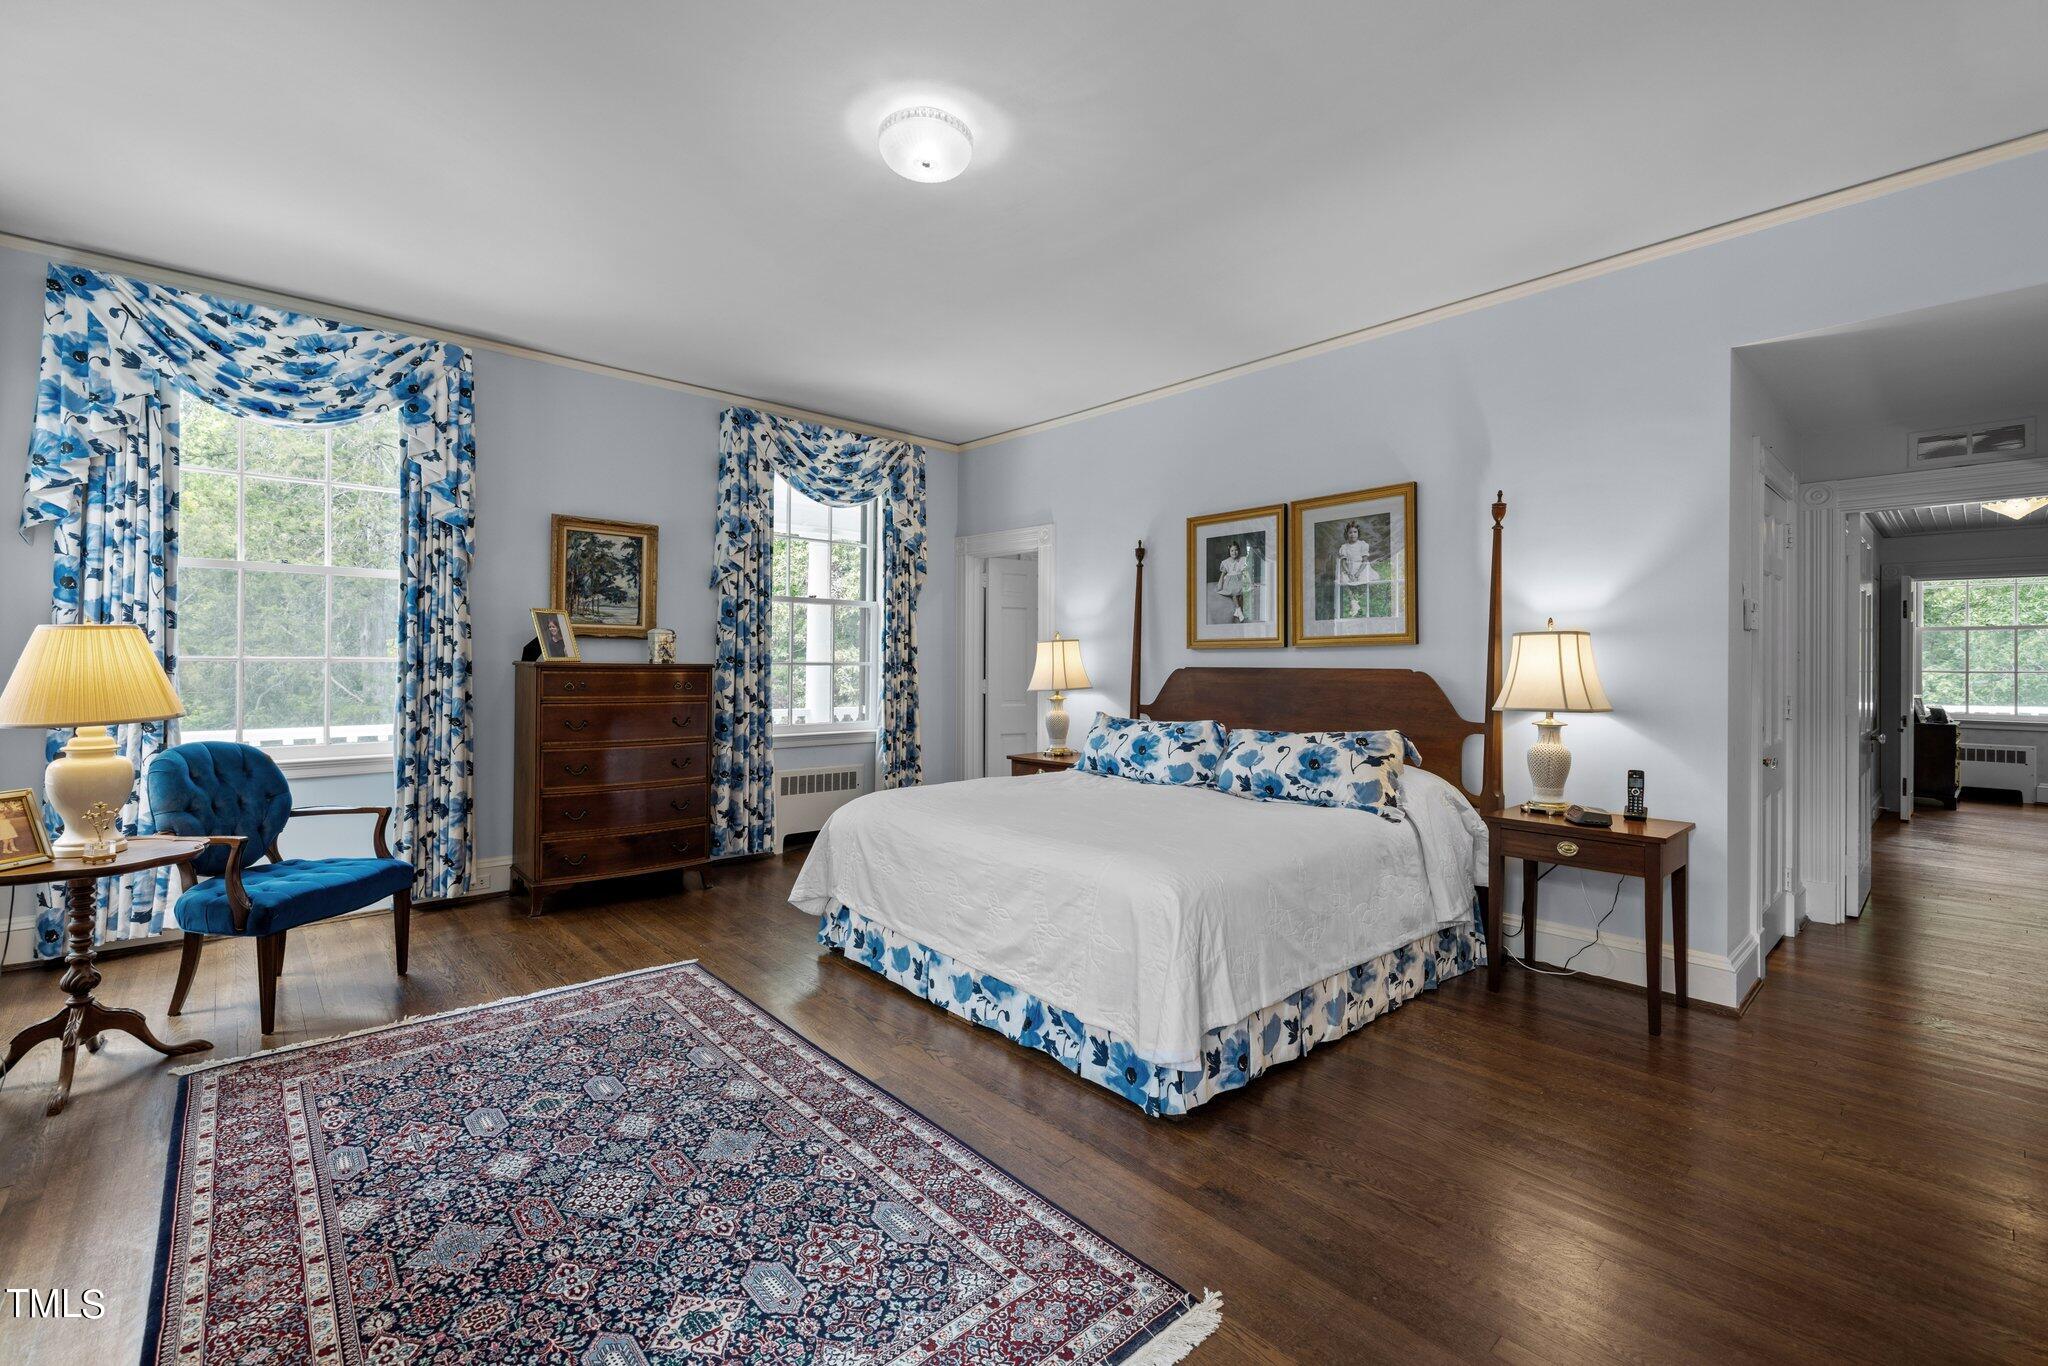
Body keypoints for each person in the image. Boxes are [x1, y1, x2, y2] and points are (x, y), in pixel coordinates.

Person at [1334, 521, 1377, 618]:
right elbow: (1343, 562)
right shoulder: (1344, 547)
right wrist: (1348, 572)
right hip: (1349, 568)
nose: (1352, 534)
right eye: (1350, 532)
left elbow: (1365, 560)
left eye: (1355, 532)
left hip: (1361, 567)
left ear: (1358, 533)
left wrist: (1358, 573)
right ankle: (1353, 601)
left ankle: (1359, 601)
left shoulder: (1362, 544)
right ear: (1347, 534)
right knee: (1345, 581)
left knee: (1362, 583)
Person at [1215, 542, 1250, 623]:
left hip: (1239, 579)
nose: (1234, 552)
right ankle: (1239, 611)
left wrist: (1249, 582)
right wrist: (1219, 585)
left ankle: (1237, 612)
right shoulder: (1225, 562)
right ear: (1229, 552)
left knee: (1241, 593)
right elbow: (1222, 575)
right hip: (1230, 581)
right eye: (1232, 550)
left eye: (1236, 550)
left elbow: (1246, 573)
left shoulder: (1242, 560)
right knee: (1234, 592)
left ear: (1239, 551)